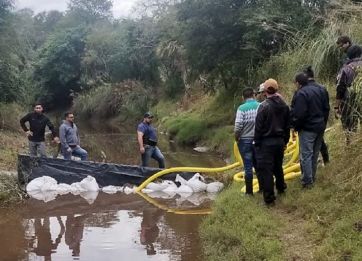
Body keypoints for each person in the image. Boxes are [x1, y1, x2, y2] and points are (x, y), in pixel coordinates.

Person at [254, 79, 290, 206]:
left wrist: (256, 143)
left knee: (267, 170)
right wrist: (285, 141)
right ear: (276, 89)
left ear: (265, 92)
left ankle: (269, 199)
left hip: (266, 143)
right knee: (278, 166)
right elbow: (287, 126)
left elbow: (258, 128)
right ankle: (281, 188)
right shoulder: (284, 106)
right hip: (280, 141)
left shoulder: (263, 107)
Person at [291, 73, 330, 188]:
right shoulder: (321, 89)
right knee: (315, 153)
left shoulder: (301, 93)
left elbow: (300, 115)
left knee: (306, 155)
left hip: (308, 129)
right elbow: (326, 108)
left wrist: (296, 127)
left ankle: (307, 182)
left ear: (298, 83)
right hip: (320, 127)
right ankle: (312, 177)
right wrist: (323, 123)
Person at [234, 88, 260, 195]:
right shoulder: (260, 105)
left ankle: (249, 192)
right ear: (254, 95)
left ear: (243, 97)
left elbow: (238, 126)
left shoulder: (242, 108)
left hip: (244, 141)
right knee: (259, 164)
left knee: (248, 166)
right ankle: (262, 188)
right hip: (258, 140)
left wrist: (236, 137)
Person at [303, 66, 330, 164]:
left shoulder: (303, 90)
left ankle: (311, 168)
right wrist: (324, 121)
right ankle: (326, 159)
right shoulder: (322, 88)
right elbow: (326, 107)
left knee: (309, 146)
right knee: (320, 140)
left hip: (309, 123)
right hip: (320, 120)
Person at [335, 44, 362, 144]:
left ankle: (350, 145)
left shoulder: (346, 69)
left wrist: (336, 107)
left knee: (349, 127)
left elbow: (340, 88)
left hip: (349, 101)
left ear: (349, 55)